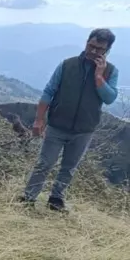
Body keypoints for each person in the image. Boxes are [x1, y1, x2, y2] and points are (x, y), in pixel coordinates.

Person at [18, 28, 120, 211]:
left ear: (107, 50)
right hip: (57, 125)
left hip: (84, 129)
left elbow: (110, 98)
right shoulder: (67, 65)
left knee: (69, 167)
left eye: (99, 49)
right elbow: (49, 92)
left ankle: (56, 200)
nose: (93, 51)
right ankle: (29, 198)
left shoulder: (111, 71)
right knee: (44, 163)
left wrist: (99, 76)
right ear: (86, 42)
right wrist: (39, 120)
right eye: (91, 45)